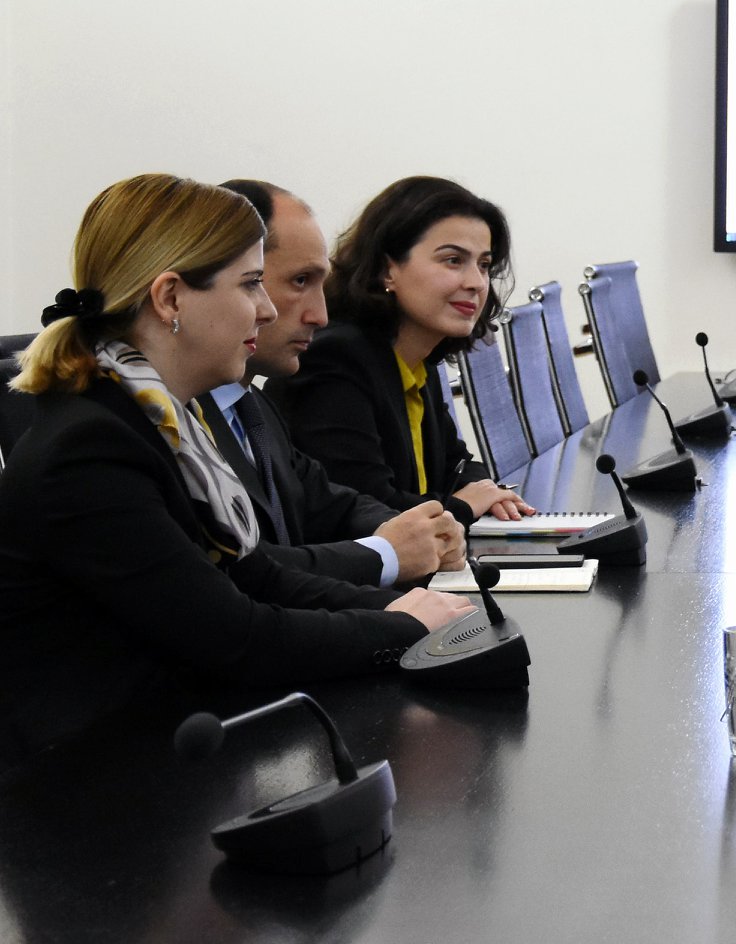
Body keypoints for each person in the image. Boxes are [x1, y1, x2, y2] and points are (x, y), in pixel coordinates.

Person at [0, 174, 473, 770]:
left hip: (164, 746)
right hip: (83, 783)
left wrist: (407, 605)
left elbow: (257, 576)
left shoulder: (161, 421)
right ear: (171, 299)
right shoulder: (90, 449)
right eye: (251, 284)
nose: (267, 309)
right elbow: (235, 637)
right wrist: (401, 629)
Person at [196, 180, 465, 587]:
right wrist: (389, 554)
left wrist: (422, 531)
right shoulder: (170, 421)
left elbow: (329, 502)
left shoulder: (251, 405)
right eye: (300, 281)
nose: (320, 316)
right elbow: (244, 572)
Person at [267, 176, 533, 524]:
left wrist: (484, 491)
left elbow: (458, 464)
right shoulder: (335, 359)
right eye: (453, 260)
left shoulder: (415, 359)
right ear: (387, 269)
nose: (476, 283)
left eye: (483, 265)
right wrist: (464, 506)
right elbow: (368, 508)